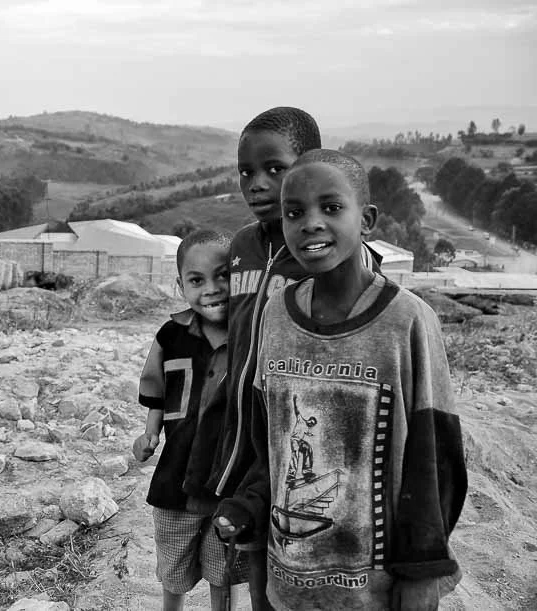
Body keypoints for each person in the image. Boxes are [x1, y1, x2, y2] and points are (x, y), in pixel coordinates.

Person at [215, 149, 467, 610]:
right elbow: (267, 440)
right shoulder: (276, 314)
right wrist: (248, 506)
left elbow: (435, 458)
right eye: (295, 212)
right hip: (286, 578)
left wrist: (420, 573)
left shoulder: (407, 321)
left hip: (374, 590)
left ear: (366, 219)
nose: (310, 223)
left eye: (331, 208)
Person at [183, 107, 372, 609]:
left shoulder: (319, 250)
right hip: (242, 422)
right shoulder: (242, 245)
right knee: (249, 553)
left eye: (275, 169)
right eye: (247, 172)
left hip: (298, 426)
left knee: (296, 550)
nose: (258, 184)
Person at [133, 229, 248, 611]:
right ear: (180, 285)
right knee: (173, 559)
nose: (212, 289)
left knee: (224, 564)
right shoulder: (171, 334)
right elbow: (158, 390)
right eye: (197, 280)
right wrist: (149, 434)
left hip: (227, 478)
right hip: (175, 474)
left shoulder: (250, 335)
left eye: (223, 276)